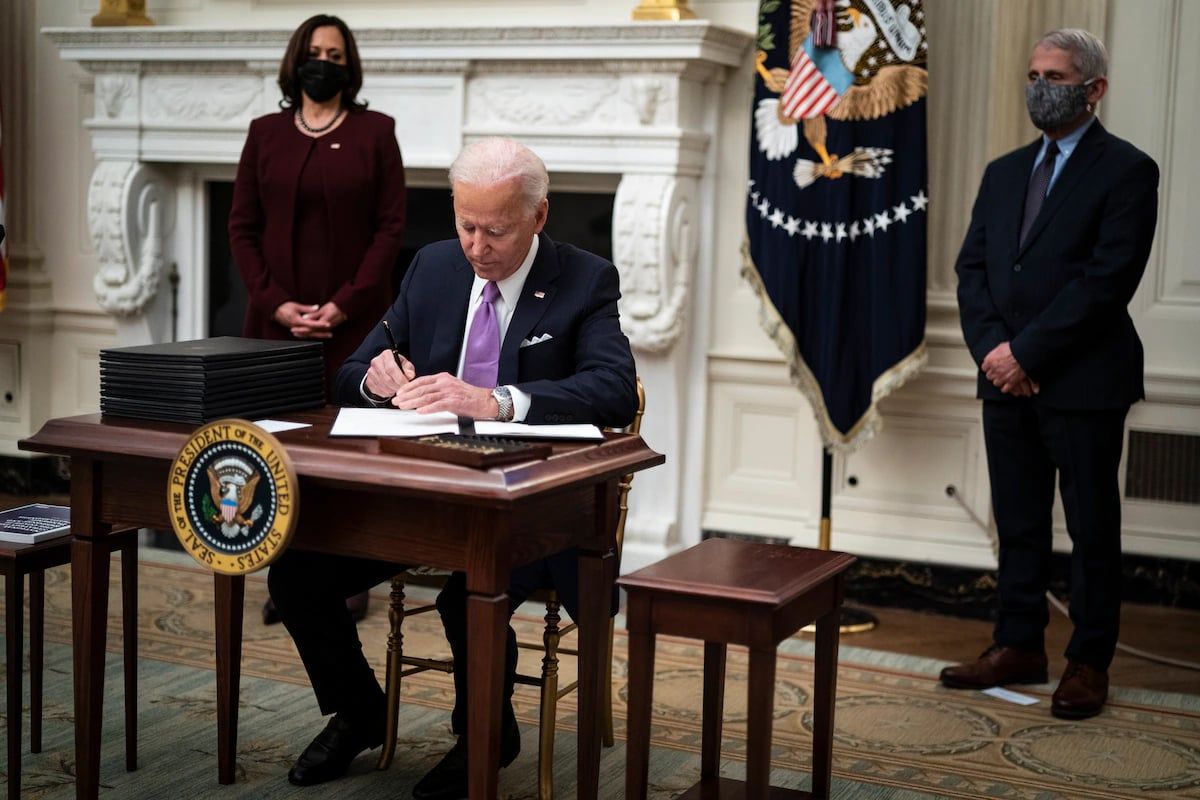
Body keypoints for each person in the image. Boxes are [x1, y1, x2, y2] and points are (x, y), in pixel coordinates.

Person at [266, 137, 638, 794]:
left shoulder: (584, 278)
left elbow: (612, 387)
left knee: (467, 594)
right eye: (466, 224)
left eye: (495, 230)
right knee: (297, 569)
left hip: (532, 505)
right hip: (421, 495)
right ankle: (360, 711)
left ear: (538, 217)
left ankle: (485, 739)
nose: (476, 245)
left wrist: (495, 401)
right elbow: (354, 371)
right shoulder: (433, 267)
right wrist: (375, 379)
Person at [947, 29, 1158, 720]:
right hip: (1002, 377)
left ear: (1094, 89)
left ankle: (1088, 662)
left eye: (1057, 75)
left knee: (1092, 529)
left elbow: (1106, 282)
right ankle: (1019, 645)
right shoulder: (1003, 171)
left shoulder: (1128, 170)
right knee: (1019, 521)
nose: (1040, 86)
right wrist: (995, 353)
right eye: (1034, 73)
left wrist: (1027, 355)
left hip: (1084, 380)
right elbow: (973, 270)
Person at [229, 13, 406, 625]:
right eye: (313, 52)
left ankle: (348, 577)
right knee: (279, 450)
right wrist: (275, 302)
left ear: (348, 66)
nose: (322, 62)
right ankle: (288, 576)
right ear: (295, 60)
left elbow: (390, 228)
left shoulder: (376, 132)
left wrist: (345, 304)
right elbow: (241, 227)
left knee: (347, 452)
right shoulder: (264, 133)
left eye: (334, 54)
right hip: (274, 327)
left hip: (352, 327)